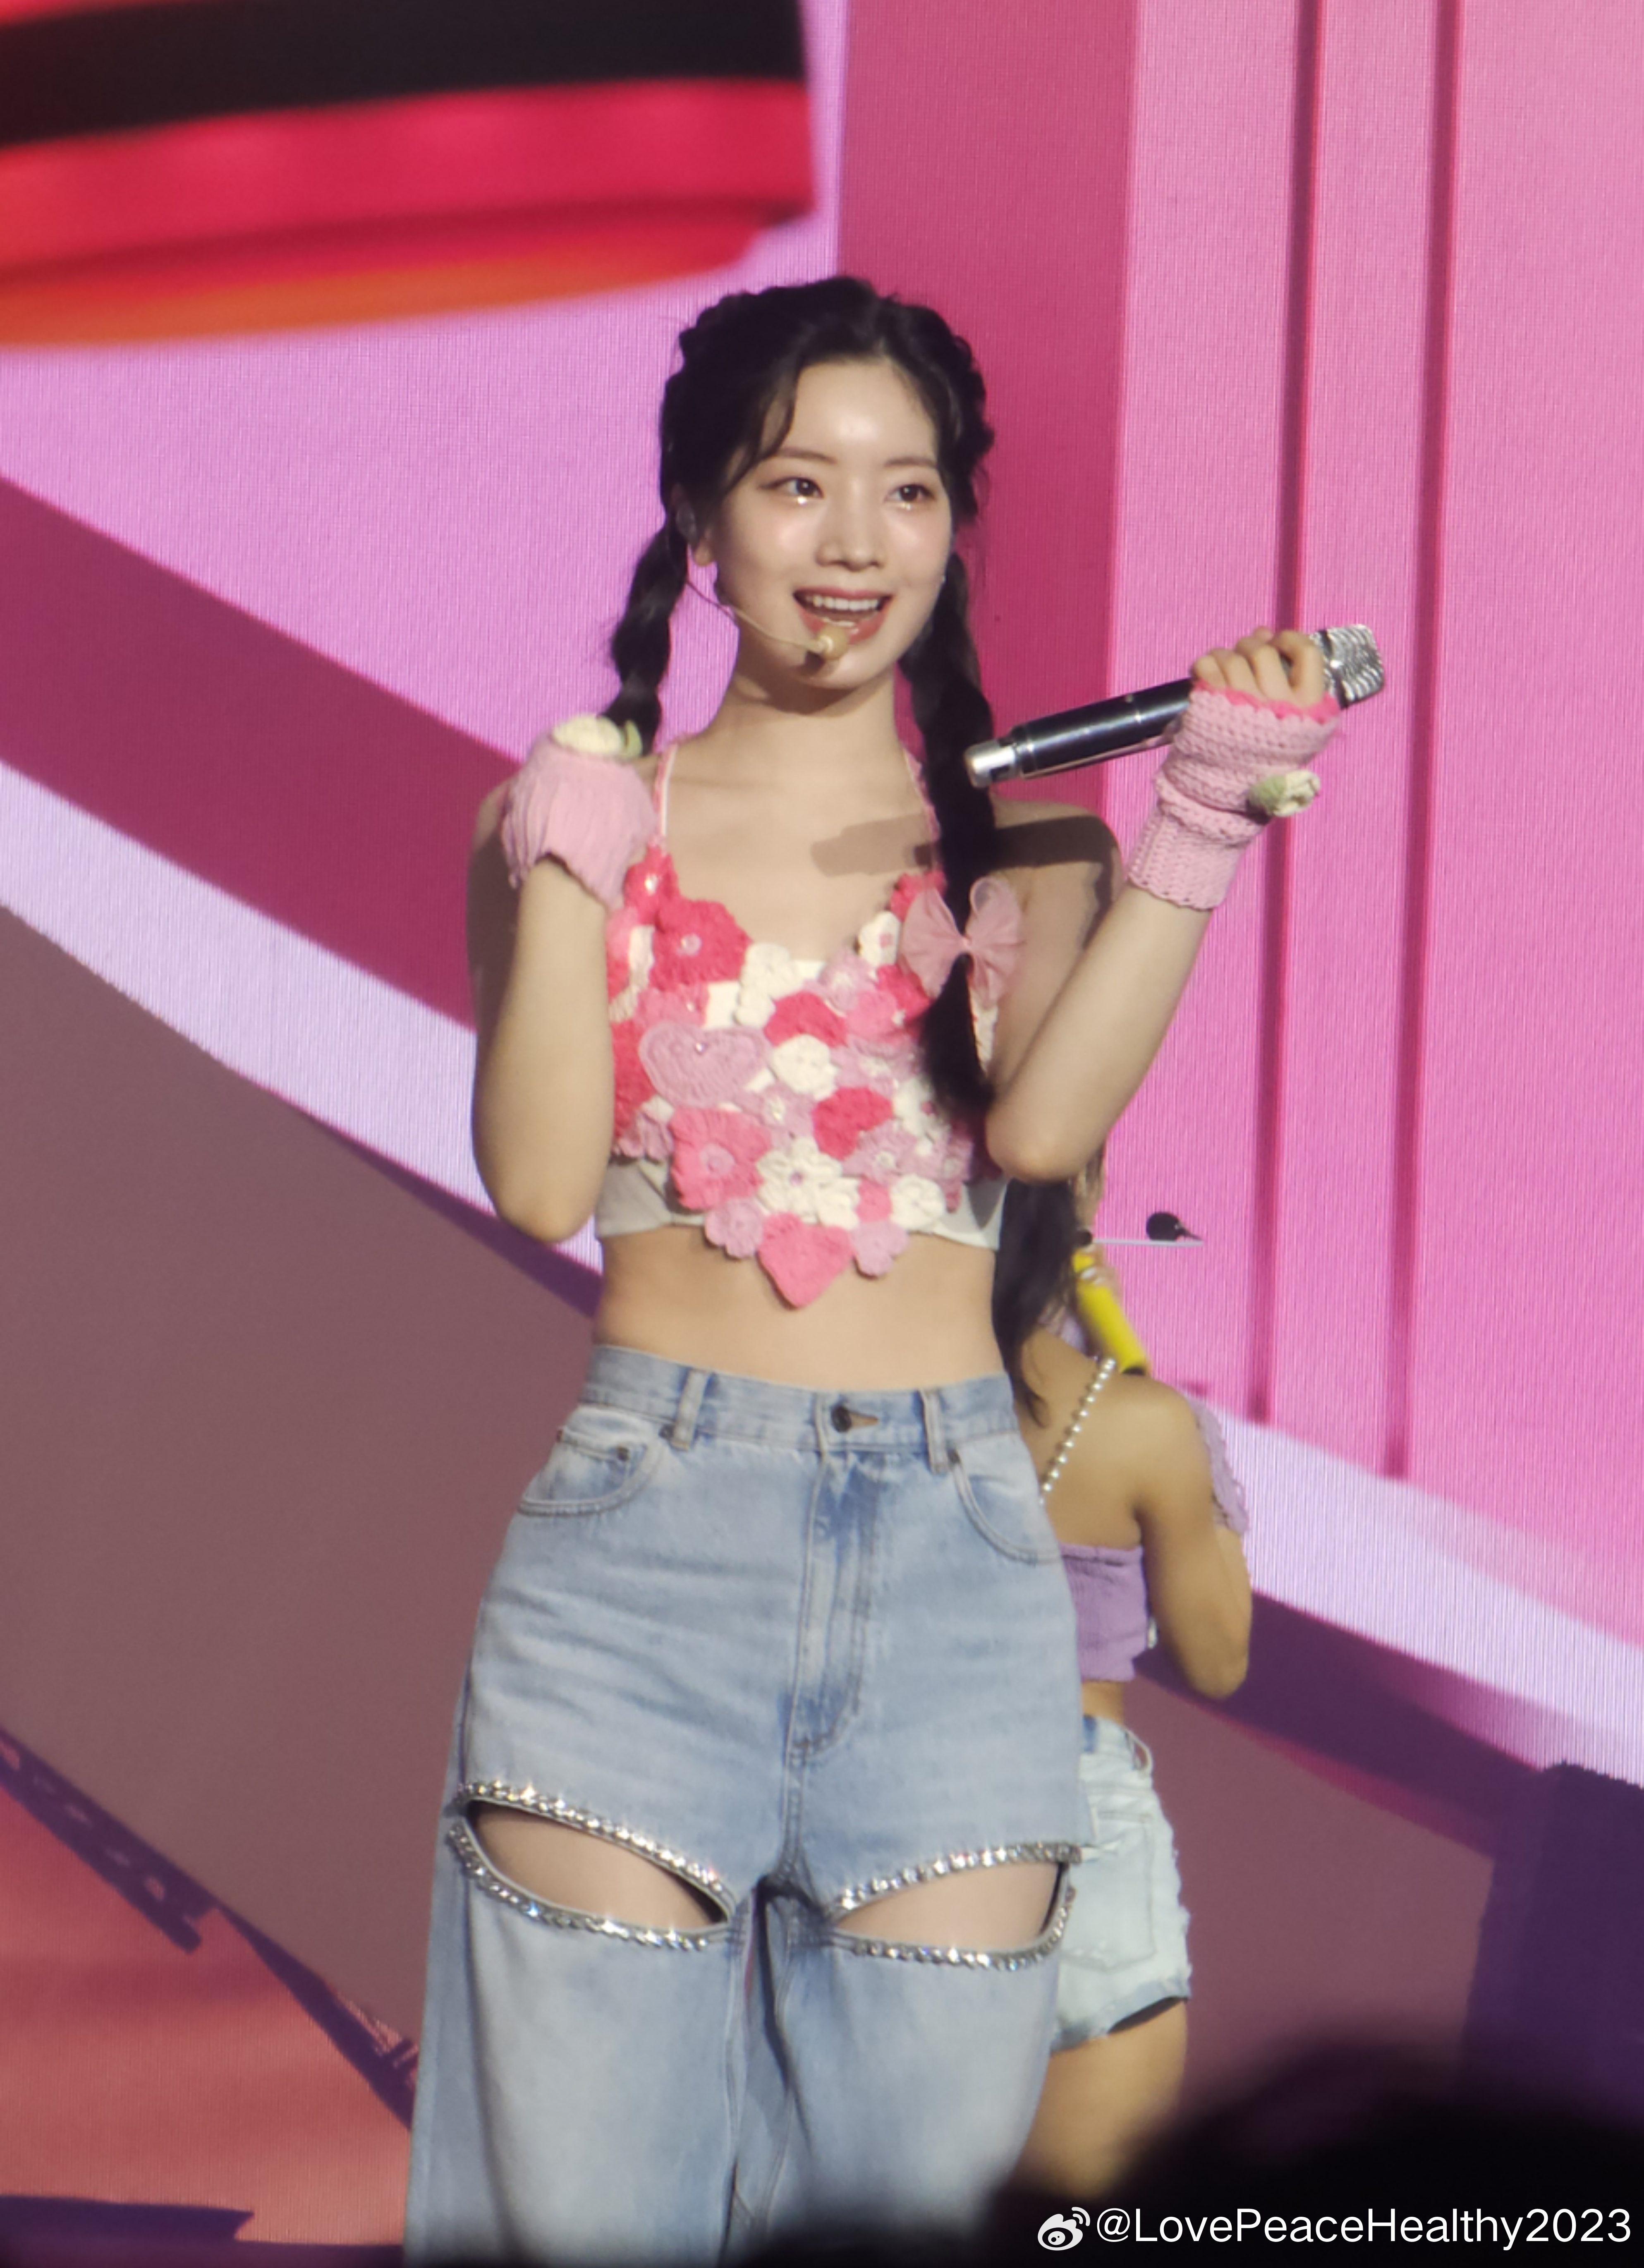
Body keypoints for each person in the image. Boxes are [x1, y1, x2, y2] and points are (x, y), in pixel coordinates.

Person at [404, 275, 1347, 2262]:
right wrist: (566, 865)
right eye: (796, 484)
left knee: (904, 2224)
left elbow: (1044, 1132)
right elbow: (538, 1177)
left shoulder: (1029, 847)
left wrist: (1196, 824)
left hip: (957, 1582)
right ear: (700, 516)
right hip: (640, 1566)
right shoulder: (575, 815)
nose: (854, 544)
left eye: (907, 492)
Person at [993, 1204, 1252, 2195]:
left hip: (873, 1800)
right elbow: (1216, 1656)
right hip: (1071, 1814)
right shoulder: (1136, 1423)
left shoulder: (855, 1385)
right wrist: (1177, 1439)